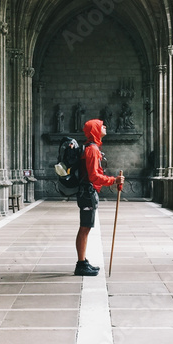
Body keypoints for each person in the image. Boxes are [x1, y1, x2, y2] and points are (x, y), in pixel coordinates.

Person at [74, 118, 124, 276]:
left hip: (88, 191)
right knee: (84, 227)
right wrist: (113, 180)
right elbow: (94, 176)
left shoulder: (93, 148)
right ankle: (80, 264)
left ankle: (83, 261)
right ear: (95, 130)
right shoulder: (92, 149)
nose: (105, 127)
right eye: (101, 126)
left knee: (86, 227)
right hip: (87, 192)